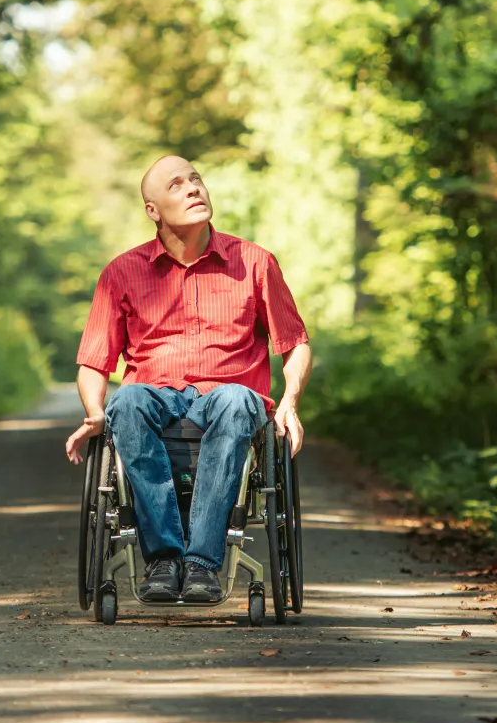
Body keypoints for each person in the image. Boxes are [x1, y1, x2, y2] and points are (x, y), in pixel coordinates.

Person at [65, 153, 312, 605]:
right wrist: (95, 413)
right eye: (176, 185)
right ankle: (163, 559)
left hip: (228, 398)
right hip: (155, 397)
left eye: (196, 180)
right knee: (129, 400)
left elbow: (295, 343)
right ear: (152, 211)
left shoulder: (254, 262)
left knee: (238, 400)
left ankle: (201, 562)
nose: (194, 189)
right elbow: (94, 363)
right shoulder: (121, 273)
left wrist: (291, 402)